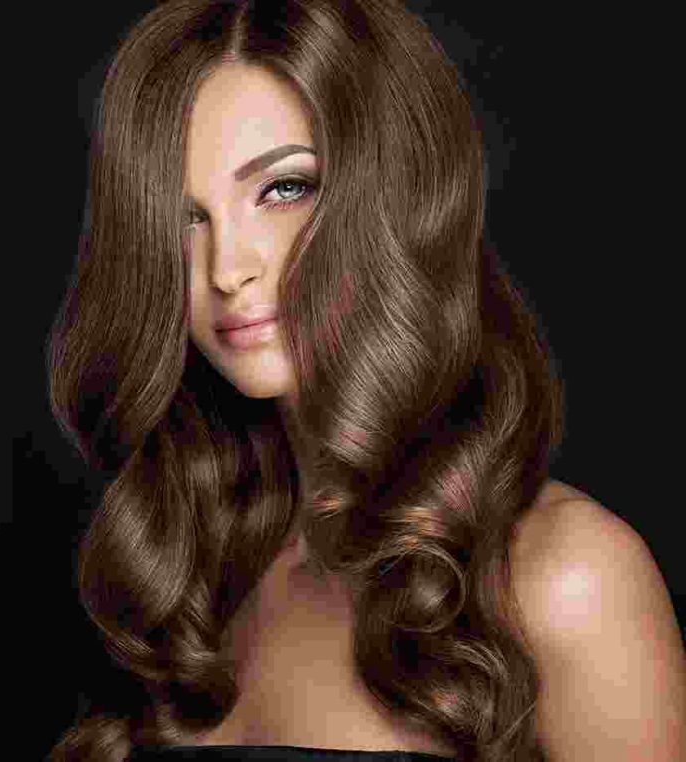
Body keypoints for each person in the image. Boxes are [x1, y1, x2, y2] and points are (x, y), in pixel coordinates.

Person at [44, 1, 686, 760]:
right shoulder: (184, 578)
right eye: (186, 219)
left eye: (284, 189)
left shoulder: (565, 578)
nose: (226, 270)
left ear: (398, 195)